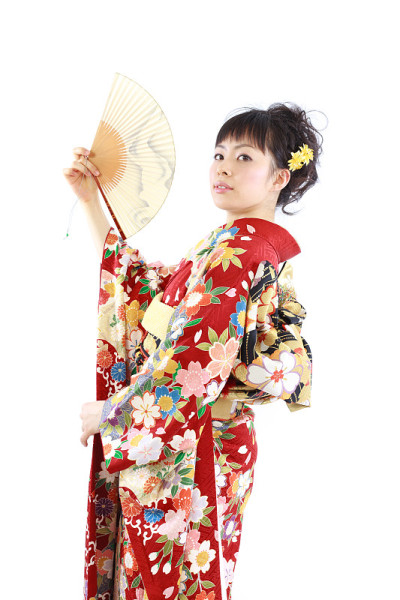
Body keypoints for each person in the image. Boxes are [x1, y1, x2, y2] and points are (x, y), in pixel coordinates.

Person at [63, 102, 323, 600]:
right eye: (219, 154)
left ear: (279, 179)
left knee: (177, 584)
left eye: (244, 158)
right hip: (202, 436)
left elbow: (194, 363)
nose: (224, 167)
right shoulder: (227, 245)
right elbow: (145, 296)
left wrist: (115, 414)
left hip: (200, 444)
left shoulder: (241, 253)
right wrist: (91, 200)